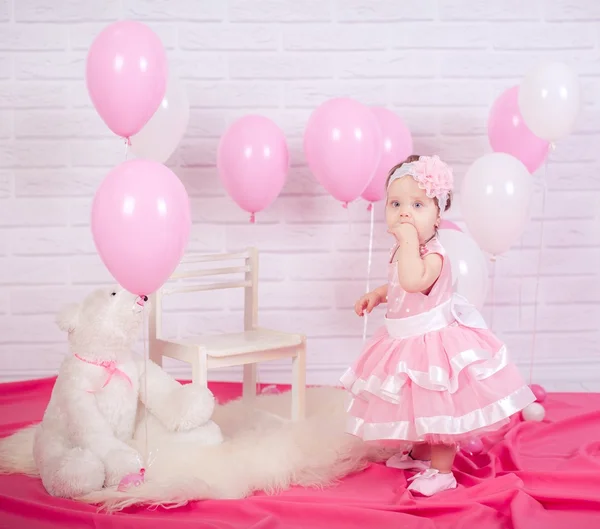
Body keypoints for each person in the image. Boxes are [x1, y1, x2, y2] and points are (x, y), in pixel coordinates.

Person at [340, 154, 536, 497]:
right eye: (396, 203)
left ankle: (442, 471)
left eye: (417, 204)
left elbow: (414, 281)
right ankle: (418, 452)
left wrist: (404, 245)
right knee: (413, 402)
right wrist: (379, 294)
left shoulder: (432, 255)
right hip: (404, 339)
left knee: (440, 409)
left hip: (432, 343)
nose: (404, 213)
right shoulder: (406, 251)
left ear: (438, 216)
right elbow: (401, 285)